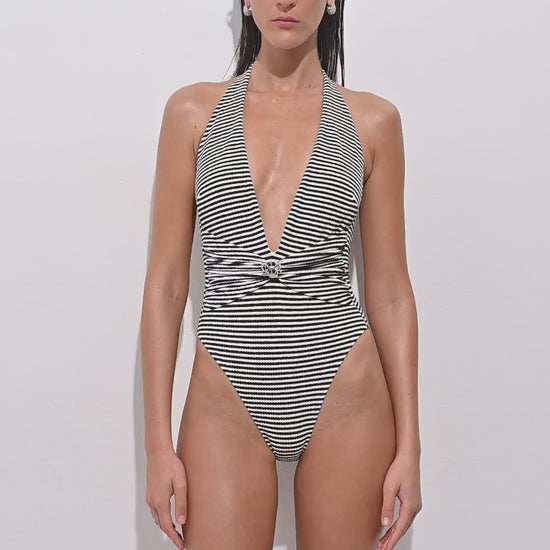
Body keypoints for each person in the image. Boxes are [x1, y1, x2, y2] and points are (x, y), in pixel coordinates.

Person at [140, 1, 422, 549]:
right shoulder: (192, 112)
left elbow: (390, 292)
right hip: (225, 394)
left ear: (333, 1)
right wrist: (156, 445)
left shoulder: (373, 121)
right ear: (245, 2)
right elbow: (166, 284)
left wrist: (410, 445)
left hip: (345, 390)